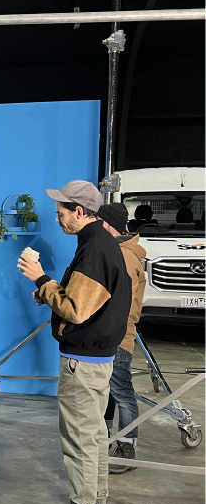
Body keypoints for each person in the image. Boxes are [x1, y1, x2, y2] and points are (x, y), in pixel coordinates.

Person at [17, 180, 130, 504]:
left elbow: (76, 309)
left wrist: (41, 278)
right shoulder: (101, 244)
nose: (57, 216)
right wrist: (46, 292)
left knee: (80, 440)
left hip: (82, 362)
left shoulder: (95, 249)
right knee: (95, 436)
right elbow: (82, 300)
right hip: (98, 359)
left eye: (61, 211)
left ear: (79, 212)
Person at [97, 202, 147, 473]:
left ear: (107, 225)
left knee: (121, 392)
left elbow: (116, 301)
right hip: (113, 332)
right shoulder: (119, 251)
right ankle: (105, 440)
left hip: (117, 334)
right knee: (109, 393)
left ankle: (126, 449)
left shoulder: (125, 257)